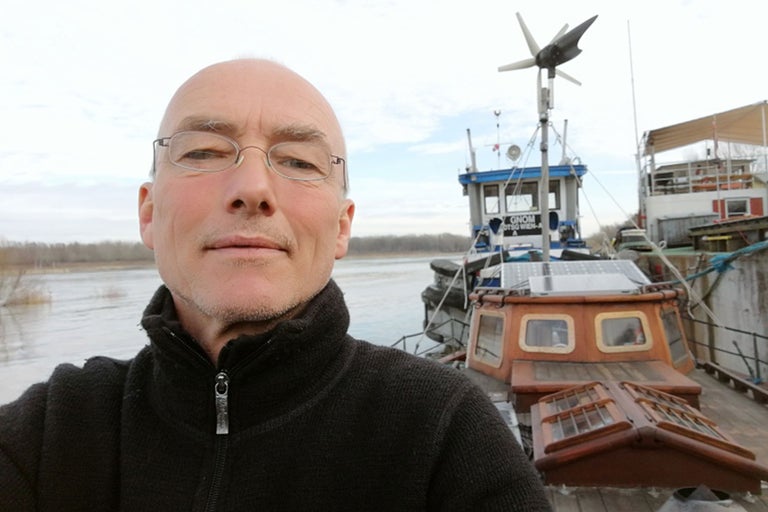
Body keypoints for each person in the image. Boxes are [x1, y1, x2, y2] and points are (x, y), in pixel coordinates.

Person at [0, 59, 551, 511]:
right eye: (203, 152)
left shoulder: (444, 435)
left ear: (341, 226)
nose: (253, 188)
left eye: (299, 161)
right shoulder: (51, 433)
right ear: (148, 213)